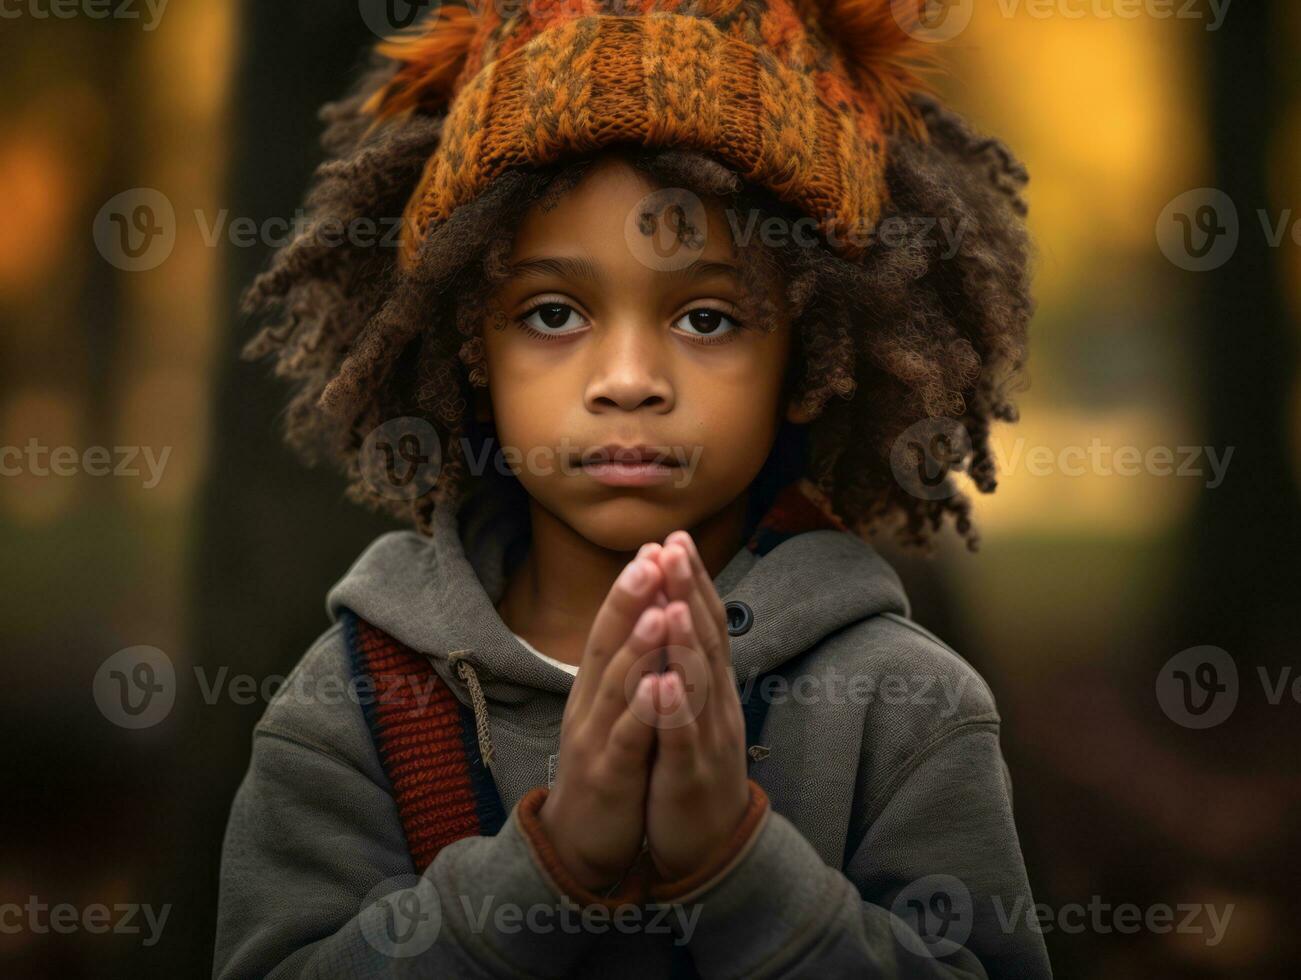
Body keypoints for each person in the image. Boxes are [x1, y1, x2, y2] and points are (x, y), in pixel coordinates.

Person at [215, 1, 1051, 976]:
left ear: (810, 354)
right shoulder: (350, 706)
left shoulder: (905, 710)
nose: (625, 377)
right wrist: (548, 864)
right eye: (553, 310)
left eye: (703, 317)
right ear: (467, 339)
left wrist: (738, 865)